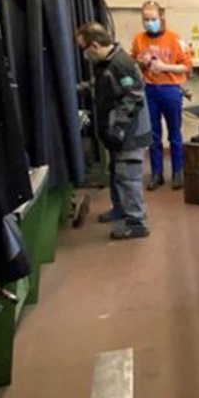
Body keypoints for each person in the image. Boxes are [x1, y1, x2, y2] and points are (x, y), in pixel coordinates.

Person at [76, 22, 152, 240]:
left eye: (83, 49)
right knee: (117, 173)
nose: (84, 54)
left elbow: (133, 98)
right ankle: (120, 209)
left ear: (95, 45)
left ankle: (136, 222)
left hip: (130, 132)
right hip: (116, 132)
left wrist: (118, 127)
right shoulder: (106, 64)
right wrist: (79, 89)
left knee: (128, 175)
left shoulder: (122, 64)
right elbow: (102, 84)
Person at [131, 1, 193, 190]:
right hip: (149, 90)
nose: (149, 23)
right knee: (153, 135)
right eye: (146, 19)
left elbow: (187, 66)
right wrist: (141, 63)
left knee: (175, 133)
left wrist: (164, 67)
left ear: (161, 18)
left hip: (170, 90)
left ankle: (178, 172)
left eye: (153, 19)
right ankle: (156, 173)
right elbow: (132, 64)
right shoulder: (138, 40)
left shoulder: (174, 39)